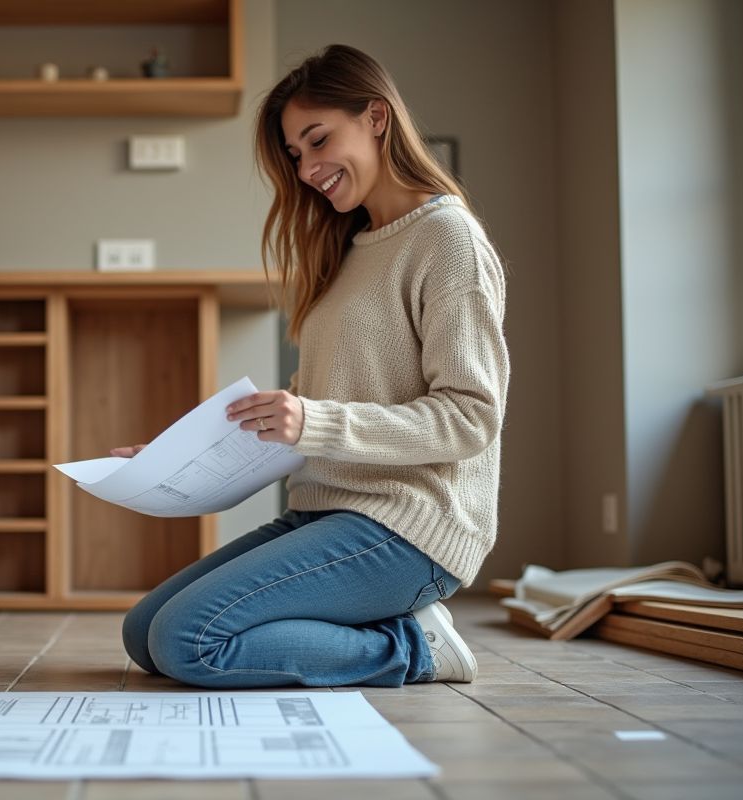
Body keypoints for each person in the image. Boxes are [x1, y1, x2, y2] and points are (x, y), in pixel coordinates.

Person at [114, 44, 509, 688]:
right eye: (295, 155)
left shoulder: (446, 238)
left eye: (318, 139)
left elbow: (471, 416)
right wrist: (171, 458)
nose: (307, 168)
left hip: (407, 523)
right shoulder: (348, 249)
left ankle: (412, 649)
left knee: (186, 641)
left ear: (376, 118)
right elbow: (307, 409)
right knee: (144, 634)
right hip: (323, 510)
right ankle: (386, 634)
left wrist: (313, 422)